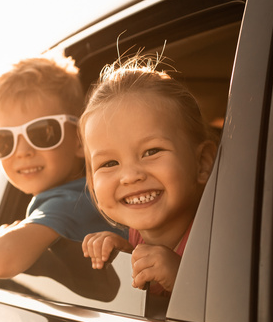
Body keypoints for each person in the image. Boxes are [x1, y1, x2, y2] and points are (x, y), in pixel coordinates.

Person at [0, 55, 127, 279]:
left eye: (42, 133)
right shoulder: (80, 196)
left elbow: (2, 261)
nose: (22, 151)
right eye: (4, 140)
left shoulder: (70, 201)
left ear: (80, 139)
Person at [80, 57, 219, 295]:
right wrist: (124, 255)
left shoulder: (221, 241)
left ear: (202, 162)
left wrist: (182, 280)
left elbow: (233, 313)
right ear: (92, 182)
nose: (130, 176)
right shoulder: (134, 235)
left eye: (151, 151)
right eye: (109, 163)